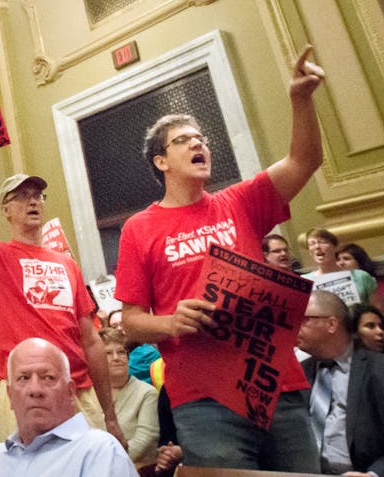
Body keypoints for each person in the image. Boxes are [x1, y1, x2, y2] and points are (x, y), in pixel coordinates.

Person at [116, 45, 326, 471]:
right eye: (182, 141)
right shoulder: (139, 227)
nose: (198, 143)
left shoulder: (241, 201)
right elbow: (131, 319)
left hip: (276, 387)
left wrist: (300, 101)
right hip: (203, 402)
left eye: (201, 139)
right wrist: (172, 322)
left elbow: (305, 160)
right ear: (162, 162)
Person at [0, 112, 122, 445]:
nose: (33, 200)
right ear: (5, 210)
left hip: (77, 390)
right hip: (20, 390)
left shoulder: (67, 264)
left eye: (37, 195)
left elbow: (91, 341)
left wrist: (110, 415)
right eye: (22, 196)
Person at [297, 290, 384, 477]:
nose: (293, 326)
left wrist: (374, 475)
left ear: (331, 324)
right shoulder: (296, 374)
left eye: (303, 320)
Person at [0, 337, 137, 476]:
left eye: (48, 378)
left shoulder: (100, 451)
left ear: (70, 392)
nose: (35, 389)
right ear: (11, 396)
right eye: (24, 378)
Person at [100, 327, 158, 467]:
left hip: (136, 467)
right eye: (108, 353)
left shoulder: (147, 393)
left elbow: (145, 439)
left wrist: (109, 463)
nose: (116, 358)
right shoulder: (91, 394)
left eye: (121, 352)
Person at [305, 228, 384, 315]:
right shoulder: (304, 282)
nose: (317, 247)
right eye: (312, 244)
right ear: (309, 252)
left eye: (322, 242)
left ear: (335, 247)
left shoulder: (360, 276)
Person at [338, 242, 384, 314]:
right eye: (337, 259)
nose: (340, 263)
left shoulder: (383, 289)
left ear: (360, 263)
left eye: (346, 259)